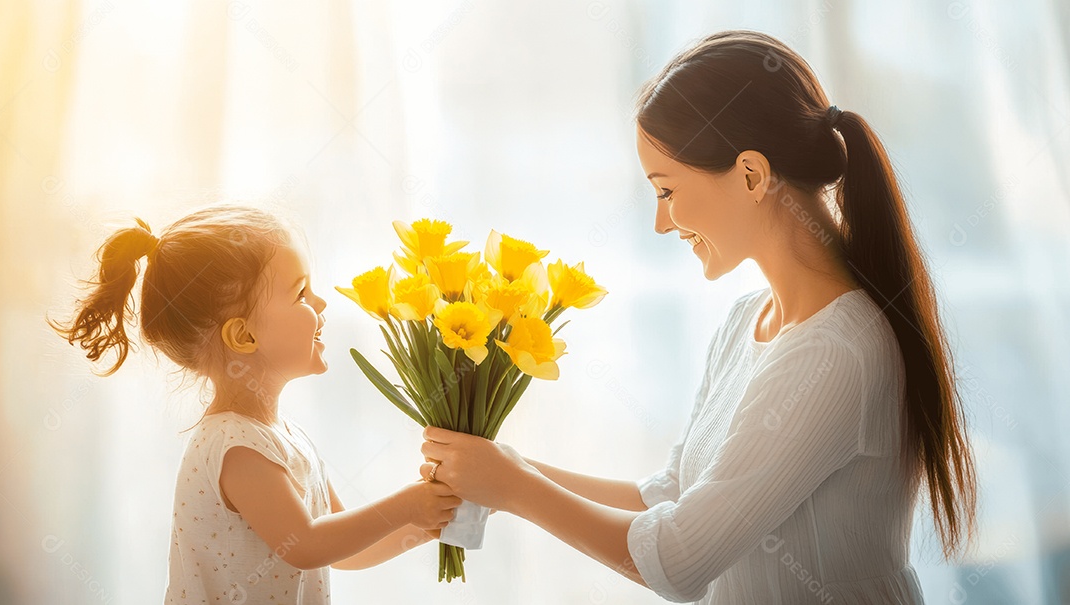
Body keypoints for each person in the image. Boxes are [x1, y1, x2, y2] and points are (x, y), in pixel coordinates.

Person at [417, 30, 976, 604]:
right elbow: (674, 495)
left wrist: (514, 488)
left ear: (752, 175)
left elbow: (681, 560)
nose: (662, 222)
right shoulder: (747, 321)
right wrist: (508, 468)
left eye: (666, 190)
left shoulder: (836, 351)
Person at [53, 205, 461, 604]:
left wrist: (428, 521)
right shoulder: (236, 447)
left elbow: (345, 551)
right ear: (244, 337)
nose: (321, 304)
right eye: (301, 293)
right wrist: (407, 504)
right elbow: (304, 545)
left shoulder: (283, 437)